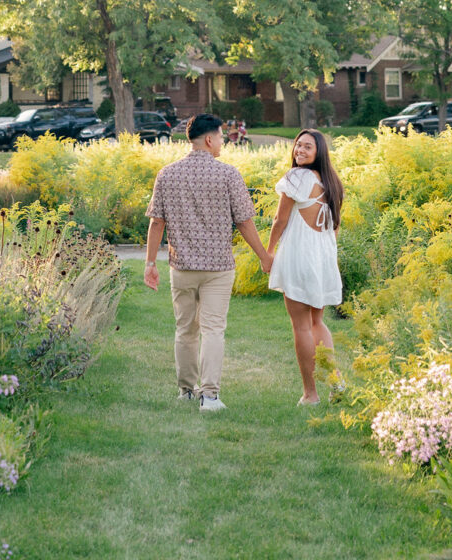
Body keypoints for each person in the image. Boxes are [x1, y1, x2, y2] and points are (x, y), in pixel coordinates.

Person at [144, 113, 272, 412]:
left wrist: (150, 263)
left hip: (182, 267)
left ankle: (186, 392)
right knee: (213, 330)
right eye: (221, 137)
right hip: (218, 269)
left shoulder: (167, 174)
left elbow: (156, 223)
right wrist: (264, 256)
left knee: (185, 330)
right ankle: (210, 397)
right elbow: (244, 222)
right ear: (210, 139)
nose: (223, 143)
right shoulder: (228, 175)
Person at [267, 129, 344, 405]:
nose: (299, 150)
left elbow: (280, 220)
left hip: (299, 257)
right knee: (316, 322)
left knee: (301, 326)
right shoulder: (332, 182)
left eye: (307, 146)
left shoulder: (297, 177)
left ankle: (310, 394)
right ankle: (336, 382)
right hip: (322, 259)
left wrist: (269, 252)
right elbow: (333, 229)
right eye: (298, 145)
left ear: (318, 152)